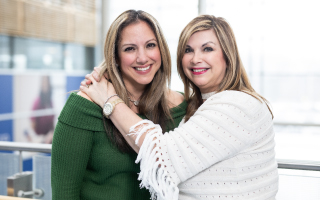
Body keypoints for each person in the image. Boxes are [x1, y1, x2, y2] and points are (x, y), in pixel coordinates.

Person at [80, 15, 279, 200]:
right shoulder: (197, 106)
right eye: (188, 50)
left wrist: (110, 99)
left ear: (228, 56)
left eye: (207, 49)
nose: (195, 58)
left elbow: (159, 157)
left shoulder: (236, 105)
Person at [51, 10, 186, 200]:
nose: (142, 57)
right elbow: (64, 194)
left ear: (161, 50)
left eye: (150, 45)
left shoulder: (181, 106)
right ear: (115, 56)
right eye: (130, 48)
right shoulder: (82, 108)